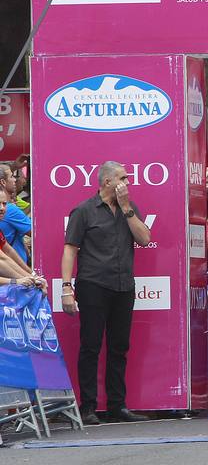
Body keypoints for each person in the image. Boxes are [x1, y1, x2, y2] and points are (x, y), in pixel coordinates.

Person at [61, 161, 153, 425]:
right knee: (90, 345)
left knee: (119, 347)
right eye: (123, 178)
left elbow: (145, 239)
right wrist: (67, 288)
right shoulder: (84, 211)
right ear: (107, 182)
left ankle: (117, 405)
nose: (128, 182)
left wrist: (126, 210)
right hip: (93, 284)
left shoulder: (129, 208)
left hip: (124, 285)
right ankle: (88, 406)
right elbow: (70, 249)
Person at [0, 163, 33, 265]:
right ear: (3, 182)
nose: (15, 180)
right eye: (12, 177)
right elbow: (36, 233)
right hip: (14, 270)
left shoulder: (9, 209)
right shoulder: (10, 210)